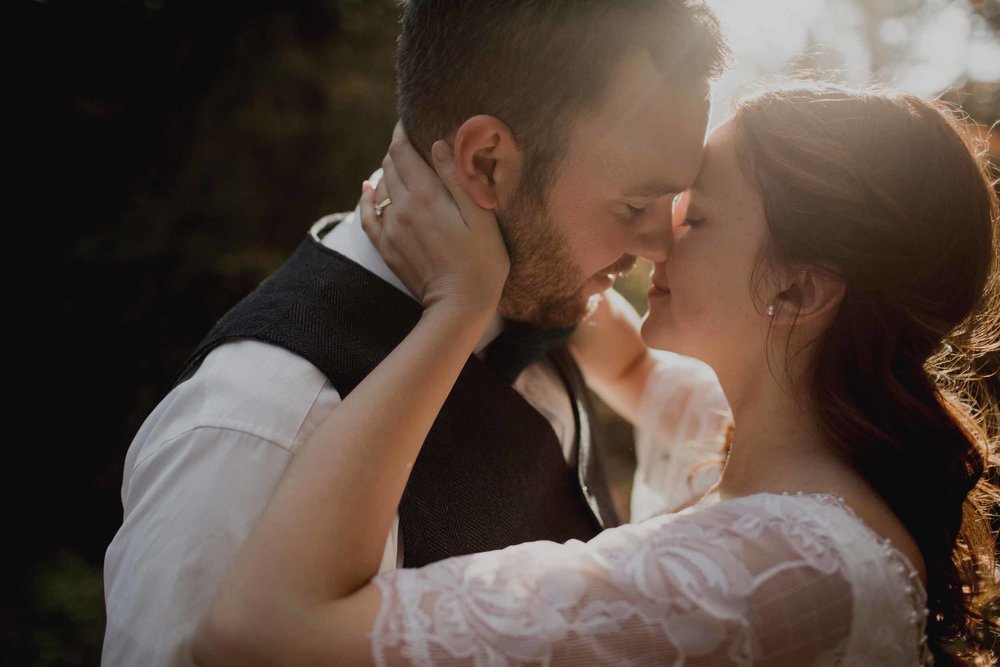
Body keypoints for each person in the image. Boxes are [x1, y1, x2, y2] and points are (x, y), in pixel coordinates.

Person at [189, 82, 1000, 666]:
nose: (658, 241)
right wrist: (518, 223)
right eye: (656, 208)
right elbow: (613, 348)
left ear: (796, 289)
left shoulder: (771, 576)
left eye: (698, 217)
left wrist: (457, 306)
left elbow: (265, 628)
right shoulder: (788, 457)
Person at [101, 2, 730, 665]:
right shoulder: (259, 426)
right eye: (634, 205)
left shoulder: (552, 298)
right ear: (487, 164)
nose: (661, 245)